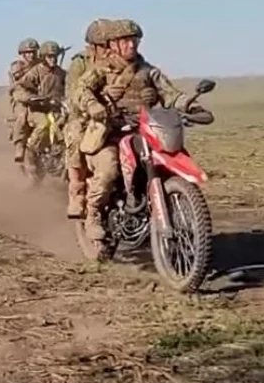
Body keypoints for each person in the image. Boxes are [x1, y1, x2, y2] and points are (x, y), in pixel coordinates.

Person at [75, 18, 188, 240]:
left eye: (134, 41)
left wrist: (189, 104)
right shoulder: (101, 69)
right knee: (109, 170)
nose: (131, 46)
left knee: (168, 159)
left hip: (144, 129)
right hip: (110, 132)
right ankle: (93, 214)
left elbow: (170, 93)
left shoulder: (147, 70)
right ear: (114, 44)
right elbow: (81, 90)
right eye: (125, 41)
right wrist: (93, 105)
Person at [64, 19, 113, 219]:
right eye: (103, 45)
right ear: (92, 46)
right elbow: (74, 92)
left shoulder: (118, 61)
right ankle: (77, 192)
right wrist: (90, 107)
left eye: (111, 44)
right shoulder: (80, 63)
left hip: (116, 115)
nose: (108, 49)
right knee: (75, 135)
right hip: (85, 116)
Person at [11, 40, 66, 180]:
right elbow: (19, 88)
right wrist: (31, 98)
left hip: (57, 108)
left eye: (55, 56)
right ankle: (30, 150)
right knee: (44, 124)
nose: (52, 59)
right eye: (49, 56)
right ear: (43, 57)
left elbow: (70, 88)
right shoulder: (36, 71)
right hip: (37, 109)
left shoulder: (61, 72)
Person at [7, 38, 39, 141]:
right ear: (23, 54)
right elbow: (18, 84)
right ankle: (19, 142)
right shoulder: (17, 66)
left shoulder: (40, 64)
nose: (31, 55)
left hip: (39, 96)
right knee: (22, 115)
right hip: (21, 97)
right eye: (28, 52)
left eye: (33, 52)